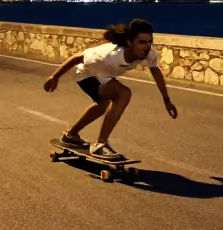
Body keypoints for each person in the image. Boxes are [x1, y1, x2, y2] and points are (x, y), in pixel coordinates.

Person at [43, 18, 177, 161]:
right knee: (123, 94)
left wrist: (167, 100)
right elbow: (77, 58)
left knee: (102, 105)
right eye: (141, 42)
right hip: (86, 75)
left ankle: (70, 136)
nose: (147, 46)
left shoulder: (149, 54)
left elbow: (156, 72)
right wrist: (54, 77)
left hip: (104, 77)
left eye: (150, 42)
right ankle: (100, 144)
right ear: (130, 42)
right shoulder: (108, 55)